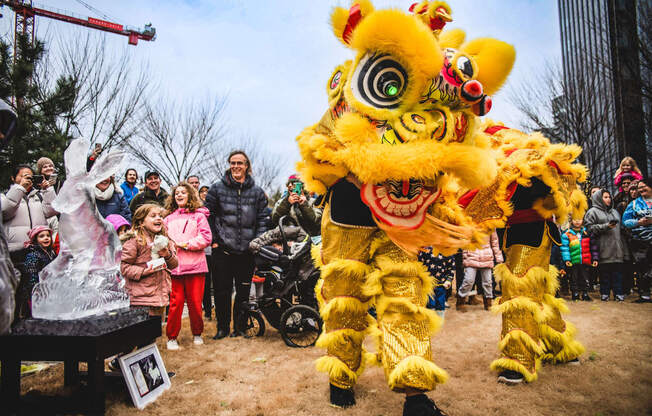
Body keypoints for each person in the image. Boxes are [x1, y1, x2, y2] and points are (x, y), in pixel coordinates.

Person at [205, 150, 268, 339]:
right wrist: (214, 241)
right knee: (222, 292)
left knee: (242, 292)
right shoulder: (216, 189)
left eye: (240, 163)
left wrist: (257, 243)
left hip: (247, 252)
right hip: (222, 251)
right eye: (232, 163)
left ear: (247, 166)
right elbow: (208, 217)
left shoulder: (257, 192)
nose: (236, 167)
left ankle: (239, 327)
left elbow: (263, 219)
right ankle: (222, 328)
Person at [163, 182, 212, 350]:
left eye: (183, 192)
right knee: (175, 303)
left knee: (195, 303)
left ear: (190, 195)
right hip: (174, 267)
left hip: (196, 266)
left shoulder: (199, 216)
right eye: (177, 193)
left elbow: (206, 238)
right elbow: (164, 239)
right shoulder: (168, 218)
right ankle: (171, 337)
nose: (179, 195)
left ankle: (197, 333)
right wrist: (169, 248)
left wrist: (187, 244)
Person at [120, 204, 178, 319]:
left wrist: (168, 255)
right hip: (141, 299)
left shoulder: (165, 240)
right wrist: (143, 271)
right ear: (141, 222)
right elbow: (123, 266)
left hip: (160, 298)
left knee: (155, 332)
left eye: (160, 216)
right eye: (153, 216)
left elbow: (174, 264)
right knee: (141, 334)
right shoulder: (135, 241)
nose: (158, 218)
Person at [2, 165, 57, 281]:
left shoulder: (39, 196)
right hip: (15, 252)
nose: (27, 179)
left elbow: (52, 211)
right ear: (13, 178)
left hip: (39, 250)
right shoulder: (5, 196)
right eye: (23, 176)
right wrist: (20, 188)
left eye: (30, 177)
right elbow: (5, 211)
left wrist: (48, 190)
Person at [584, 189, 626, 301]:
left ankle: (618, 293)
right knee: (604, 274)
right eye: (605, 197)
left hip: (617, 250)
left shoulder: (615, 212)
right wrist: (606, 226)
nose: (609, 199)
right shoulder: (592, 212)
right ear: (598, 198)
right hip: (603, 249)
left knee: (618, 274)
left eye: (609, 197)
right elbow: (589, 229)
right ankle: (605, 293)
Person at [622, 177, 652, 303]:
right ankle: (644, 294)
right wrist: (638, 222)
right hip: (640, 241)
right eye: (640, 188)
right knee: (642, 268)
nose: (641, 190)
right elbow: (625, 221)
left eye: (644, 187)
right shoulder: (633, 204)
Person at [458, 230, 503, 311]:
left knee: (488, 282)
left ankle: (488, 303)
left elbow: (495, 243)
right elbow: (464, 243)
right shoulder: (469, 224)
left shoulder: (491, 225)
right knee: (468, 280)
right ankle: (460, 301)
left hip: (487, 257)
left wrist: (499, 258)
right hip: (471, 256)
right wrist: (465, 257)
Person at [17, 226, 56, 318]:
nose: (46, 238)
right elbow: (31, 275)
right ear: (35, 239)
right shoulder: (32, 255)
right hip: (37, 292)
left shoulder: (51, 253)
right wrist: (37, 291)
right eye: (41, 236)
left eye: (48, 235)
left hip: (50, 289)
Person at [560, 218, 598, 301]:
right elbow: (564, 248)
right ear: (571, 221)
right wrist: (567, 259)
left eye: (579, 219)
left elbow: (593, 246)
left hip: (585, 260)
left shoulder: (587, 232)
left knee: (585, 277)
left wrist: (594, 259)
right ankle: (575, 293)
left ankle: (585, 293)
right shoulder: (567, 234)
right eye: (575, 219)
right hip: (574, 260)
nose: (577, 221)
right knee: (574, 277)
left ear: (583, 220)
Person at [417, 247, 455, 319]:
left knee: (440, 303)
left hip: (442, 284)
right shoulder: (425, 250)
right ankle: (431, 321)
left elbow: (451, 268)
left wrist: (449, 280)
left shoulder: (447, 251)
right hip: (428, 284)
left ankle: (439, 321)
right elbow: (420, 264)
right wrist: (421, 279)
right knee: (430, 304)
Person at [198, 185, 214, 319]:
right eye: (202, 192)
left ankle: (211, 310)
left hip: (215, 249)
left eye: (206, 192)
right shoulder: (197, 211)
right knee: (205, 283)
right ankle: (207, 311)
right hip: (203, 251)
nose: (204, 194)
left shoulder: (214, 210)